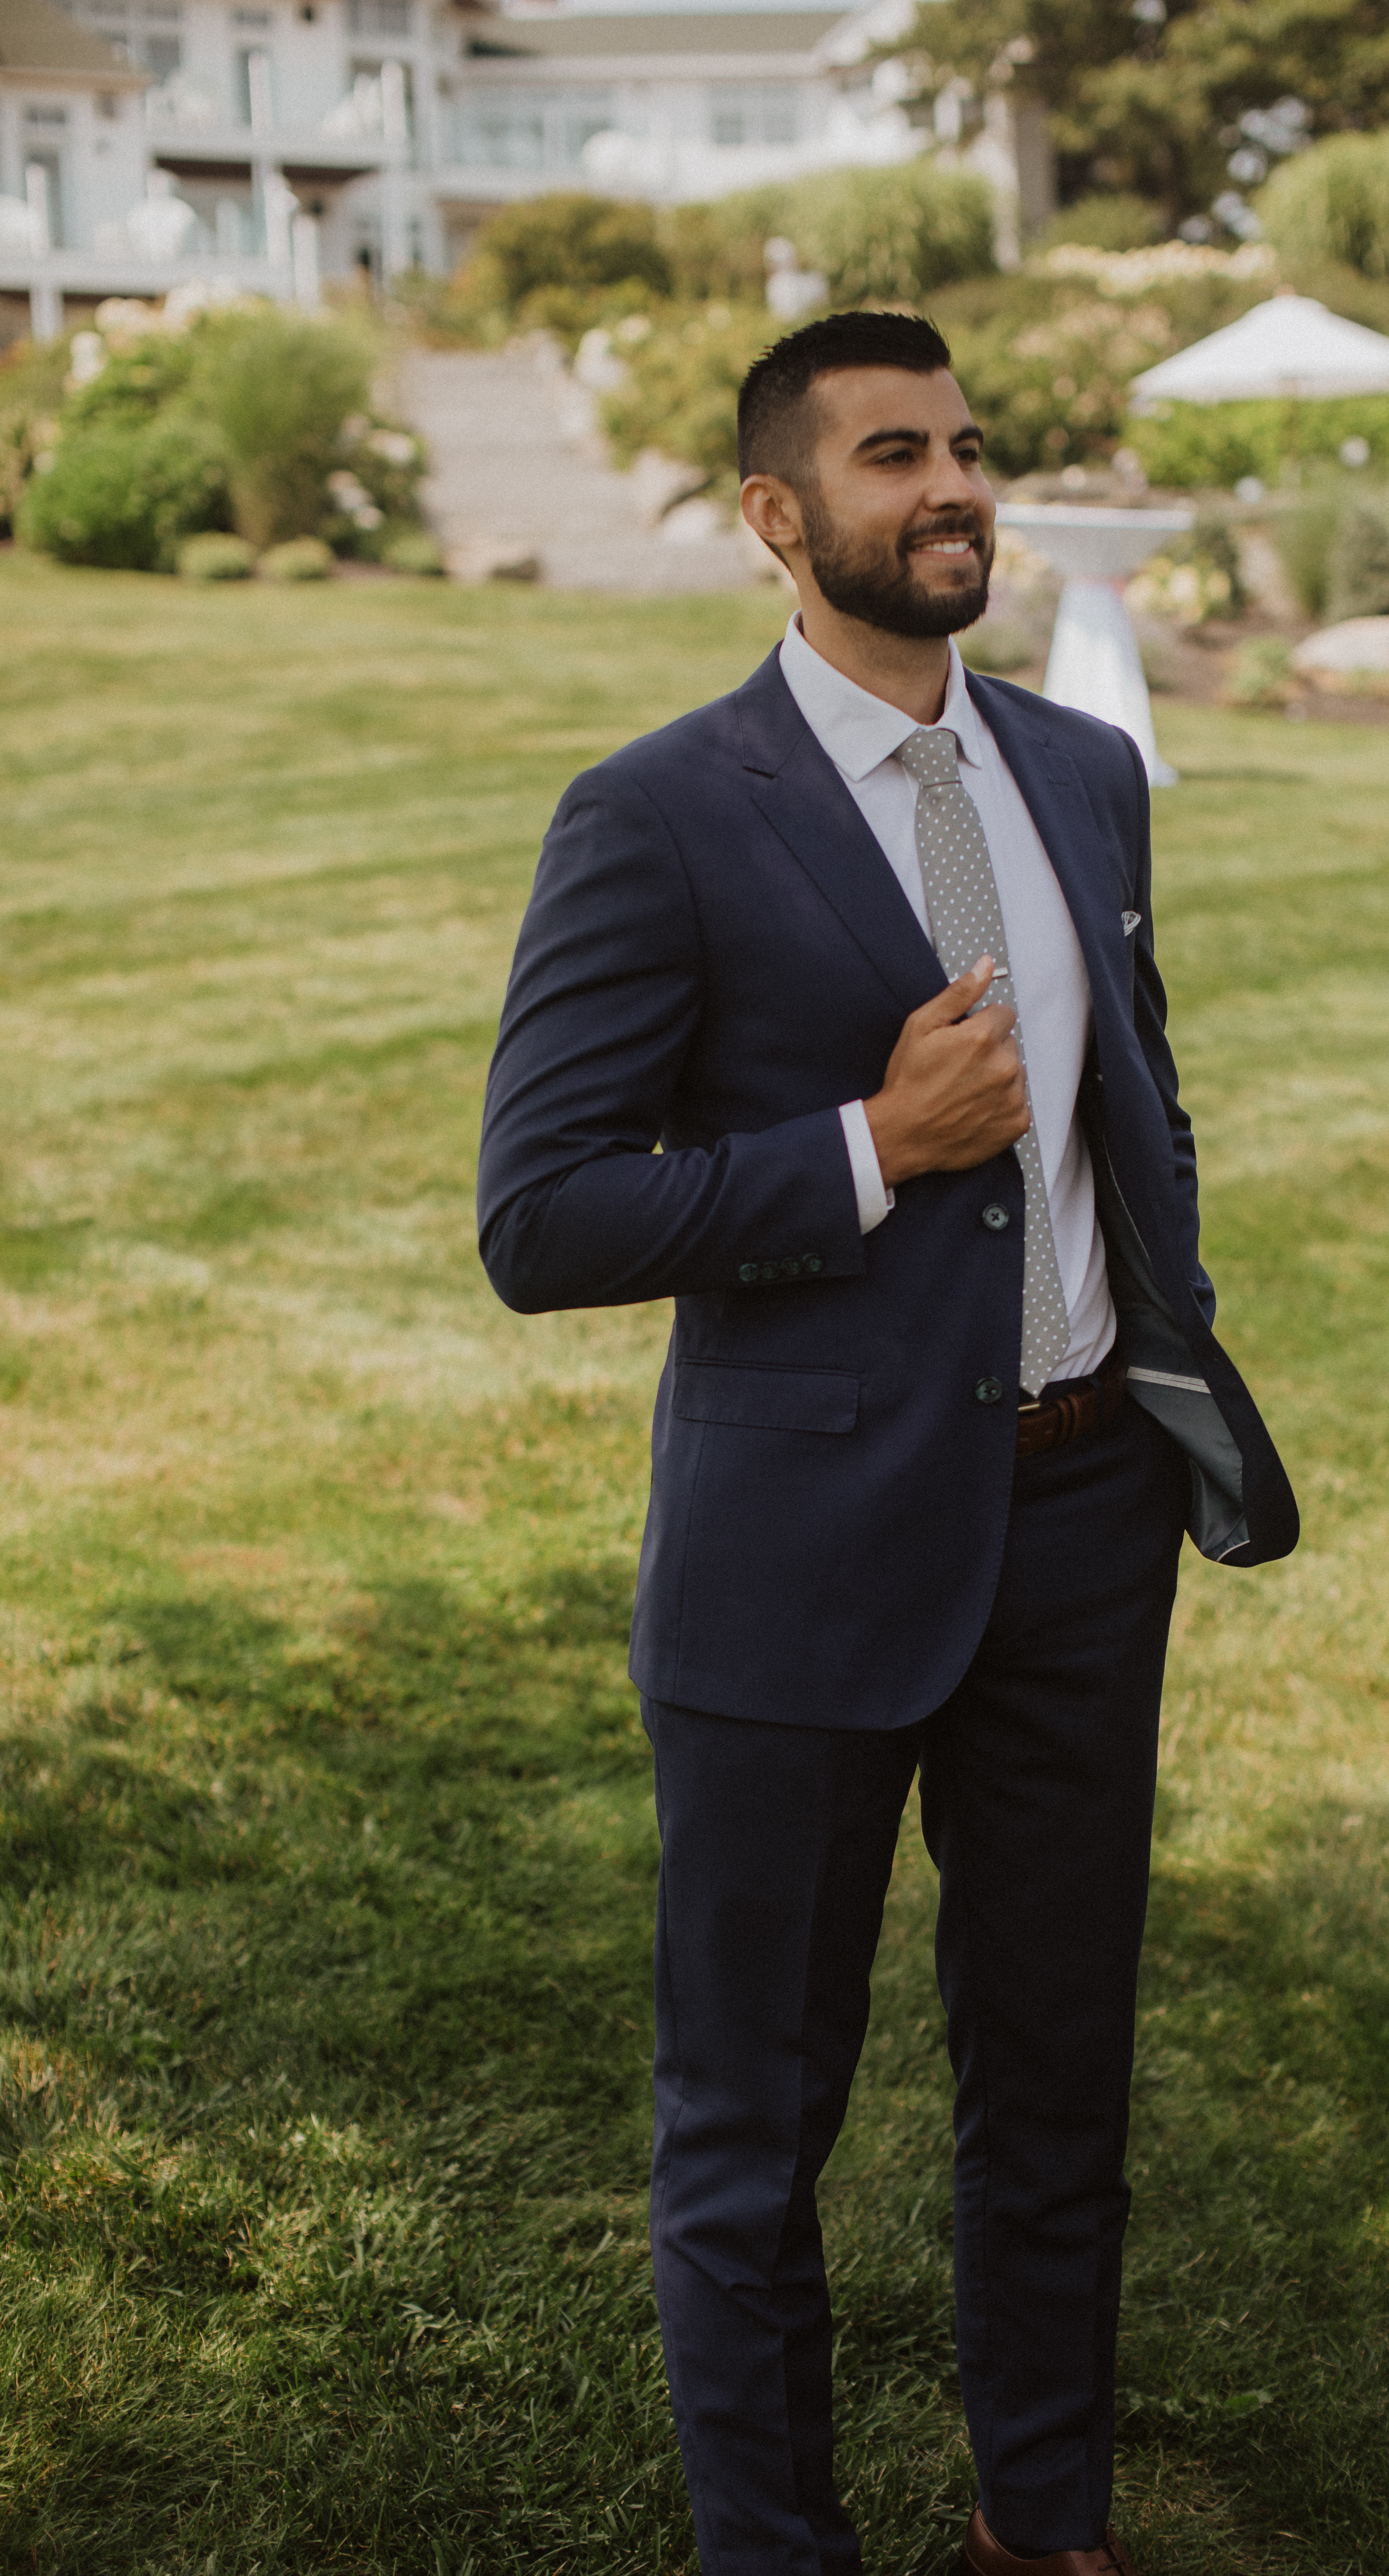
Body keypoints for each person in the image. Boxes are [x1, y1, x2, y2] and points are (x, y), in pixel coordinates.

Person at [477, 310, 1297, 2576]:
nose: (950, 488)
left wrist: (1158, 1345)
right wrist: (869, 1145)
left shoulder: (1084, 772)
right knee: (755, 2121)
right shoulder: (660, 813)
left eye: (965, 446)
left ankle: (1045, 2526)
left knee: (1057, 2079)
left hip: (1083, 1524)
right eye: (889, 456)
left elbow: (1134, 1105)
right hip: (802, 1549)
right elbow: (542, 1216)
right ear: (776, 514)